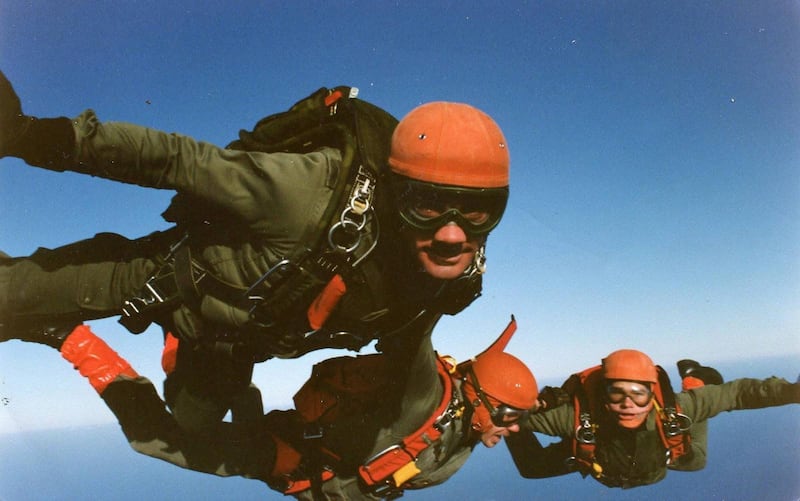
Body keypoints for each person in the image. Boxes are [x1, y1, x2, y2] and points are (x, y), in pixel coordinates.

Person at [0, 70, 511, 431]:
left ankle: (176, 342)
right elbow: (179, 161)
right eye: (426, 205)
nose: (451, 235)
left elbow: (408, 347)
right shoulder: (310, 195)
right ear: (395, 193)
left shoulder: (453, 284)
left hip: (232, 338)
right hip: (163, 277)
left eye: (478, 212)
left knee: (192, 421)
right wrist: (30, 137)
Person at [44, 316, 537, 499]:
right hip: (280, 453)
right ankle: (67, 335)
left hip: (297, 469)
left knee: (206, 400)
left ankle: (185, 335)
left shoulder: (459, 445)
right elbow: (415, 333)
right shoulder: (426, 396)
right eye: (509, 417)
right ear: (480, 400)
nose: (513, 430)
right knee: (158, 439)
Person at [506, 348, 800, 488]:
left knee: (696, 457)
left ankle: (697, 381)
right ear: (604, 397)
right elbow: (516, 415)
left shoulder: (676, 410)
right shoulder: (576, 418)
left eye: (638, 394)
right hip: (605, 463)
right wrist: (495, 415)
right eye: (616, 394)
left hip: (658, 461)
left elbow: (738, 393)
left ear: (651, 394)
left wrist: (792, 392)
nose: (628, 404)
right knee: (531, 466)